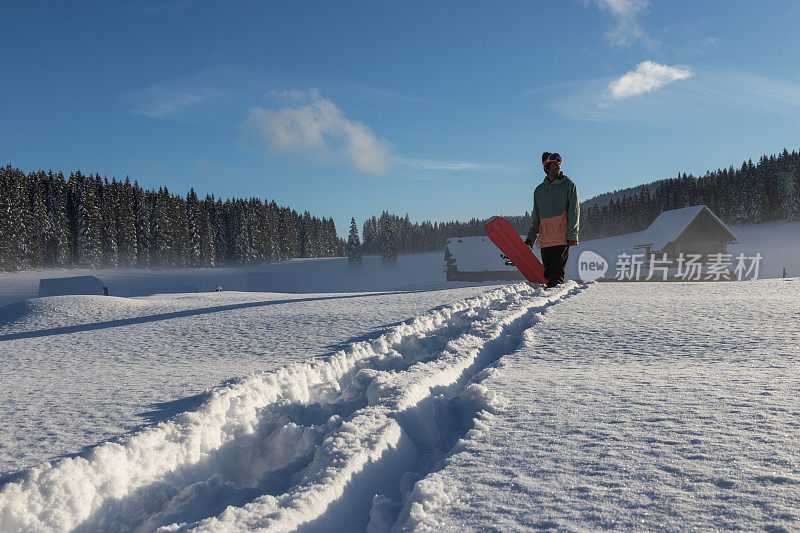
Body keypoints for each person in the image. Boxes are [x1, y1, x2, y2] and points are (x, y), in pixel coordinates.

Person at [524, 152, 580, 288]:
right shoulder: (539, 190)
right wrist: (531, 239)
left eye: (559, 164)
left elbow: (574, 211)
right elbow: (536, 218)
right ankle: (545, 303)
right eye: (554, 164)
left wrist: (573, 234)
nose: (558, 166)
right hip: (545, 241)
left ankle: (553, 306)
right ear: (546, 167)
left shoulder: (569, 185)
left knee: (556, 275)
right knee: (548, 275)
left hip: (561, 238)